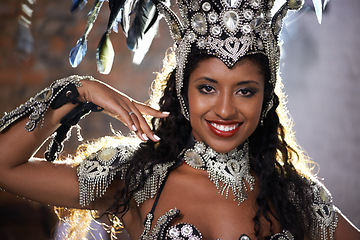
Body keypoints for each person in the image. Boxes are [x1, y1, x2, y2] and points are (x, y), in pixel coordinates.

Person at [0, 0, 359, 239]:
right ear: (184, 91)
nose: (225, 109)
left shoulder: (296, 195)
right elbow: (5, 167)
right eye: (207, 88)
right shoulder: (135, 176)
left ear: (266, 98)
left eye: (245, 91)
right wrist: (80, 90)